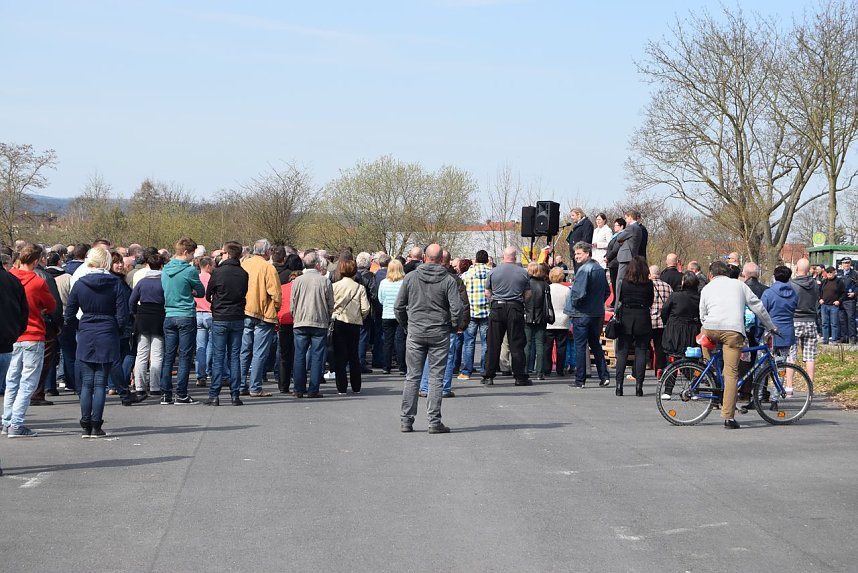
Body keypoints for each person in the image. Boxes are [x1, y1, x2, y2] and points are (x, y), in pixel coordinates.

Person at [699, 260, 776, 429]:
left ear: (711, 275)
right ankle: (728, 417)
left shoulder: (707, 288)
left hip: (710, 329)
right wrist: (771, 326)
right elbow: (757, 306)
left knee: (709, 345)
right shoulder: (739, 285)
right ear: (727, 273)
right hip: (732, 331)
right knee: (732, 373)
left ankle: (709, 369)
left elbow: (702, 314)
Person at [395, 244, 462, 433]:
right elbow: (457, 308)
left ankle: (406, 420)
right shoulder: (448, 280)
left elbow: (399, 306)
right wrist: (453, 326)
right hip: (439, 331)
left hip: (416, 331)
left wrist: (407, 325)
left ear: (425, 257)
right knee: (435, 378)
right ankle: (434, 421)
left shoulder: (410, 277)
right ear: (441, 259)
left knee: (412, 377)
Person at [65, 248, 129, 437]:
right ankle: (96, 424)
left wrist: (81, 325)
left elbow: (69, 313)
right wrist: (116, 329)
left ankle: (85, 422)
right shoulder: (115, 283)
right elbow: (122, 314)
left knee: (86, 383)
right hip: (107, 330)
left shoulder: (80, 283)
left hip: (87, 330)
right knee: (100, 382)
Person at [2, 244, 56, 438]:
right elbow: (51, 305)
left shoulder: (10, 278)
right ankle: (16, 423)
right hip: (33, 334)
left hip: (15, 334)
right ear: (36, 260)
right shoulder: (37, 281)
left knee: (12, 380)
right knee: (27, 382)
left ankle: (7, 420)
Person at [160, 238, 205, 405]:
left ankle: (166, 394)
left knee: (168, 356)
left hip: (169, 314)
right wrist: (191, 292)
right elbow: (201, 291)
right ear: (186, 252)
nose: (193, 258)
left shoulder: (165, 269)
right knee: (185, 356)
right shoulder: (190, 270)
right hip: (186, 314)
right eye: (192, 254)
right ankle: (182, 394)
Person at [205, 242, 249, 406]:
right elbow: (243, 293)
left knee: (218, 357)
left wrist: (216, 302)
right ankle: (235, 395)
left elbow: (208, 294)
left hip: (221, 317)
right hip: (237, 316)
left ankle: (214, 395)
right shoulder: (243, 273)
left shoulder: (218, 272)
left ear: (228, 254)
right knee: (234, 356)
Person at [563, 241, 611, 388]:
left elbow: (578, 294)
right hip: (596, 313)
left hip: (582, 314)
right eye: (575, 253)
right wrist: (596, 302)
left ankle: (580, 380)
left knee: (580, 347)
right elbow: (607, 292)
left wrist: (576, 305)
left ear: (587, 253)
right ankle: (604, 376)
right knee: (595, 345)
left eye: (579, 253)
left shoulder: (584, 270)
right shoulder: (599, 269)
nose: (576, 256)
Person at [483, 246, 532, 386]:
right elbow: (528, 294)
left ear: (503, 257)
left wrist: (494, 299)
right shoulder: (523, 273)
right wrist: (521, 301)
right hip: (515, 307)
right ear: (515, 257)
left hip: (497, 307)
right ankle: (519, 377)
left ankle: (489, 376)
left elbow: (487, 293)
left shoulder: (493, 272)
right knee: (516, 344)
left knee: (494, 343)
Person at [240, 239, 281, 398]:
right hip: (264, 315)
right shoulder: (268, 268)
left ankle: (241, 384)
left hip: (245, 311)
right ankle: (255, 387)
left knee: (244, 351)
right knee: (259, 353)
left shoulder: (244, 265)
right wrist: (274, 308)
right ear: (267, 251)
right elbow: (276, 294)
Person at [290, 250, 334, 399]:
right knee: (317, 356)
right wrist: (327, 316)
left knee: (299, 355)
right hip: (319, 322)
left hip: (301, 321)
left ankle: (298, 389)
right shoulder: (325, 281)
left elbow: (293, 302)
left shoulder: (297, 281)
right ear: (316, 264)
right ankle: (313, 389)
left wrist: (295, 315)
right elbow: (330, 304)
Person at [614, 257, 653, 397]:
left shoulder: (624, 283)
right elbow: (650, 301)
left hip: (626, 317)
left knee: (622, 352)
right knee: (641, 351)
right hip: (642, 317)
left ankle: (619, 385)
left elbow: (619, 299)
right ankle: (639, 386)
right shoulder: (648, 284)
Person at [331, 258, 371, 395]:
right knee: (353, 354)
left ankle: (341, 386)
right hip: (354, 322)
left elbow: (329, 305)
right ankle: (356, 386)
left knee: (339, 355)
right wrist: (360, 316)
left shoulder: (334, 286)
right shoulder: (359, 288)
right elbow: (366, 308)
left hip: (338, 321)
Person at [660, 272, 702, 399]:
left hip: (675, 329)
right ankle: (693, 388)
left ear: (683, 283)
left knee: (672, 359)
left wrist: (667, 323)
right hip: (692, 330)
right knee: (692, 360)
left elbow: (664, 311)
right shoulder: (699, 297)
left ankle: (668, 390)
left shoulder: (676, 296)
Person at [761, 266, 798, 409]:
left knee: (762, 365)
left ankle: (758, 396)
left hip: (769, 333)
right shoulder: (794, 294)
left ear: (775, 277)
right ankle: (775, 400)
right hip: (786, 332)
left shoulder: (768, 293)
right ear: (788, 278)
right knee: (781, 367)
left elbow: (762, 313)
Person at [130, 251, 166, 398]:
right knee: (157, 354)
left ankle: (139, 386)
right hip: (159, 315)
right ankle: (155, 386)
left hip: (143, 315)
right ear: (161, 266)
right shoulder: (164, 281)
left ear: (148, 265)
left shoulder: (142, 282)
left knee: (141, 354)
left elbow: (132, 301)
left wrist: (134, 314)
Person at [0, 254, 29, 435]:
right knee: (9, 384)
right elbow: (23, 313)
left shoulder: (13, 281)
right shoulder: (12, 281)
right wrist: (14, 333)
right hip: (6, 343)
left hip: (8, 341)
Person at [459, 249, 491, 380]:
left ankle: (467, 371)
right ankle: (484, 370)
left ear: (476, 260)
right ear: (487, 260)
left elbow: (461, 295)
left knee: (469, 342)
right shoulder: (491, 273)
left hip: (471, 312)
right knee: (486, 343)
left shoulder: (466, 275)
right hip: (487, 312)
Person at [789, 258, 819, 385]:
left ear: (796, 269)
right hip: (811, 320)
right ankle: (810, 386)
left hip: (795, 320)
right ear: (809, 270)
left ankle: (789, 385)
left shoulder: (791, 285)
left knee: (791, 355)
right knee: (810, 356)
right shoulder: (815, 285)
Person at [378, 259, 406, 375]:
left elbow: (380, 299)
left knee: (387, 341)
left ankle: (386, 366)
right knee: (400, 341)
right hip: (400, 314)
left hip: (387, 314)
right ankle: (402, 366)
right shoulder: (404, 282)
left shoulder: (383, 283)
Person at [523, 261, 550, 380]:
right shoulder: (545, 285)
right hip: (541, 317)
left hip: (527, 316)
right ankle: (540, 372)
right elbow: (548, 303)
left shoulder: (526, 284)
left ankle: (524, 370)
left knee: (527, 344)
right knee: (540, 345)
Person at [543, 267, 570, 377]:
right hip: (563, 320)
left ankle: (547, 369)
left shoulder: (548, 288)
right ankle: (560, 369)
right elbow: (569, 305)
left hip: (549, 321)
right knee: (561, 347)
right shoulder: (567, 290)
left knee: (547, 346)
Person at [276, 270, 300, 395]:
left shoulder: (282, 288)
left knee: (284, 355)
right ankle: (298, 384)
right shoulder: (301, 288)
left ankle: (283, 385)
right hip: (298, 322)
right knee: (298, 355)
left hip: (284, 321)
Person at [649, 264, 673, 377]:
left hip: (649, 320)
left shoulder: (647, 286)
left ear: (650, 274)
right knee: (660, 347)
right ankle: (659, 369)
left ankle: (639, 369)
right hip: (662, 321)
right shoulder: (667, 286)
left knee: (643, 346)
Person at [194, 256, 214, 387]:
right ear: (207, 266)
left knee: (200, 347)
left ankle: (200, 375)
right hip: (210, 313)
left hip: (197, 314)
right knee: (212, 345)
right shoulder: (212, 279)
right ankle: (209, 370)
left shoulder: (195, 278)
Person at [615, 209, 644, 293]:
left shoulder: (631, 227)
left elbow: (619, 238)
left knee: (620, 279)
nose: (626, 220)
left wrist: (623, 239)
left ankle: (618, 301)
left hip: (626, 257)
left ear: (630, 217)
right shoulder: (637, 227)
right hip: (631, 255)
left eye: (626, 218)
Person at [819, 266, 844, 344]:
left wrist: (839, 301)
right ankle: (825, 340)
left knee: (834, 324)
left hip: (834, 306)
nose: (829, 274)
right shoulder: (824, 281)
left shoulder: (839, 282)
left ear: (834, 273)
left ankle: (834, 340)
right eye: (828, 272)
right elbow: (819, 292)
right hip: (824, 305)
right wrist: (820, 299)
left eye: (831, 272)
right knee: (824, 324)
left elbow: (843, 293)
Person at [604, 217, 626, 304]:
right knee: (613, 282)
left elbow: (615, 249)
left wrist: (608, 257)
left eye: (616, 225)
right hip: (612, 261)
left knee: (616, 282)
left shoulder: (621, 236)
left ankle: (617, 300)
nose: (614, 227)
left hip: (616, 261)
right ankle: (615, 299)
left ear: (621, 226)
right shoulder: (615, 236)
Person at [837, 257, 857, 343]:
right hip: (841, 300)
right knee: (842, 319)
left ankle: (852, 337)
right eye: (845, 263)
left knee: (851, 319)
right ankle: (844, 337)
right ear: (841, 264)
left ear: (850, 263)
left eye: (848, 262)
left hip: (850, 300)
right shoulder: (839, 274)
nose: (846, 264)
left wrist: (855, 293)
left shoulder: (855, 274)